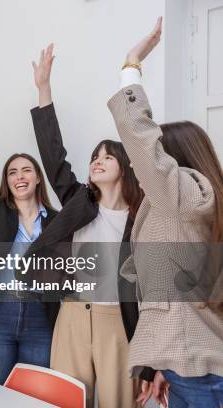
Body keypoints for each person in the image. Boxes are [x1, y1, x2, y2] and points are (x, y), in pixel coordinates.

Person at [108, 17, 223, 407]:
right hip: (187, 368)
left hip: (201, 377)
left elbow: (139, 137)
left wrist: (131, 64)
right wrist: (163, 364)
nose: (140, 174)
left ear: (175, 160)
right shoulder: (182, 208)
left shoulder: (187, 195)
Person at [30, 44, 148, 408]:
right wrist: (44, 90)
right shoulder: (79, 201)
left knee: (118, 403)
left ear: (124, 167)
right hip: (71, 316)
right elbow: (54, 157)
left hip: (118, 322)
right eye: (94, 157)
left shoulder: (141, 215)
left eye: (107, 157)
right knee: (64, 400)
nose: (97, 161)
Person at [0, 88, 59, 384]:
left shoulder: (56, 221)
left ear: (38, 177)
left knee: (34, 397)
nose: (19, 177)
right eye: (12, 172)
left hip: (41, 319)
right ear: (7, 181)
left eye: (26, 170)